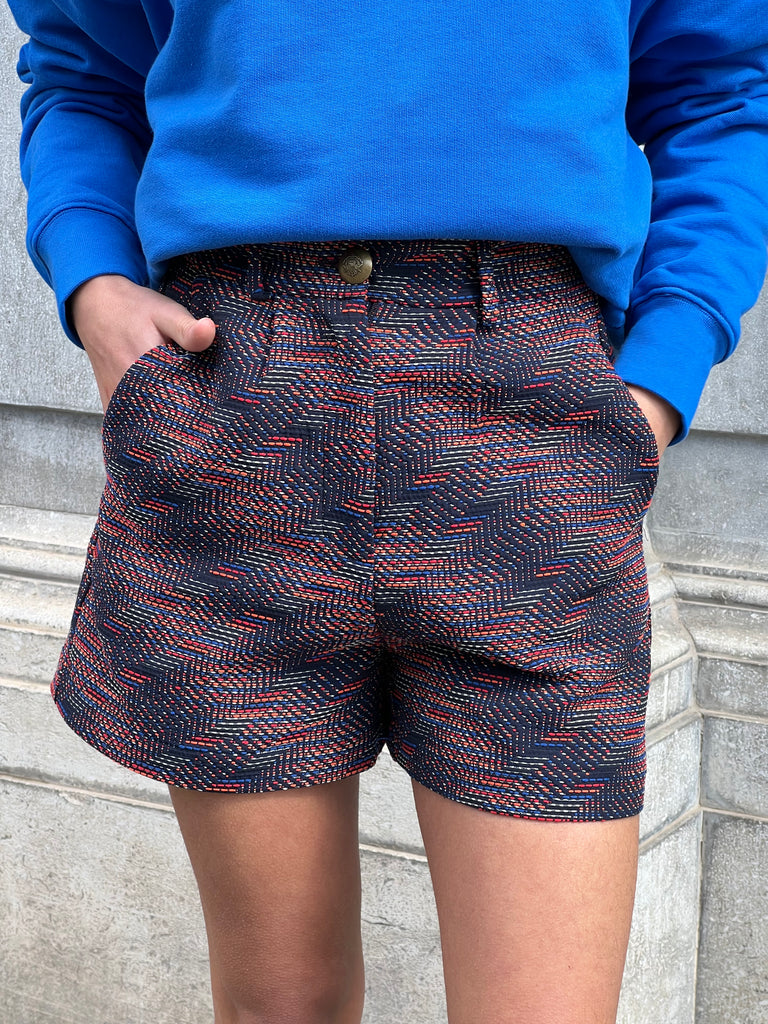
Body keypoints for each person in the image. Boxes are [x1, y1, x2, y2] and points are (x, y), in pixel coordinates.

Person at [6, 1, 767, 1022]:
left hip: (531, 431)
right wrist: (95, 278)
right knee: (281, 1006)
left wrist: (662, 373)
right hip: (237, 403)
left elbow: (721, 93)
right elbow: (84, 69)